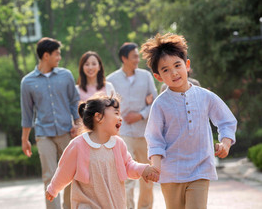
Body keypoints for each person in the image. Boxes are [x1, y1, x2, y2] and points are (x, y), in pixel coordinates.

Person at [140, 33, 237, 209]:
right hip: (171, 173)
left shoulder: (206, 96)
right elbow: (154, 139)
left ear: (187, 65)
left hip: (200, 169)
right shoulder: (160, 104)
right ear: (158, 77)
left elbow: (226, 121)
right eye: (166, 70)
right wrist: (155, 168)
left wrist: (225, 144)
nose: (174, 72)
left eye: (177, 65)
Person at [45, 94, 160, 209]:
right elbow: (64, 170)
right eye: (116, 113)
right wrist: (53, 189)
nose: (120, 118)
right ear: (99, 117)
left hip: (114, 204)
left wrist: (143, 170)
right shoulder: (78, 145)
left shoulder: (118, 144)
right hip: (87, 204)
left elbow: (128, 165)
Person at [20, 37, 80, 209]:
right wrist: (25, 139)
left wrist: (78, 124)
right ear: (46, 56)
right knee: (49, 176)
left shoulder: (66, 75)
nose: (59, 57)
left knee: (71, 174)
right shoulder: (27, 82)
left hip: (66, 132)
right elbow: (27, 113)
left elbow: (74, 102)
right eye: (57, 54)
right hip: (44, 134)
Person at [107, 42, 158, 209]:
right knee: (126, 175)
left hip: (145, 132)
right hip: (123, 133)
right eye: (134, 56)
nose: (138, 59)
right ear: (124, 58)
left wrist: (140, 115)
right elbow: (108, 107)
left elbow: (155, 103)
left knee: (148, 176)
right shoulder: (111, 80)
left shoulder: (146, 76)